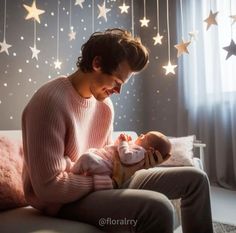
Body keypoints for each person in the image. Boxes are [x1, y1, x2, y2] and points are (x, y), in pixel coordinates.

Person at [21, 28, 213, 233]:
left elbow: (108, 160)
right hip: (61, 201)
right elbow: (49, 187)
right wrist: (110, 181)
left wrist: (135, 165)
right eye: (117, 82)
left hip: (102, 183)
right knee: (159, 208)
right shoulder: (49, 102)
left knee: (196, 180)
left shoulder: (104, 106)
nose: (118, 91)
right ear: (97, 64)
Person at [70, 131, 172, 181]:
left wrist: (123, 142)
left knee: (87, 158)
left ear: (150, 150)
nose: (141, 135)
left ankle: (72, 173)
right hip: (105, 159)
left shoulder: (140, 152)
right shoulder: (135, 148)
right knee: (90, 153)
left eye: (144, 136)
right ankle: (77, 169)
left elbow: (126, 158)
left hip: (109, 167)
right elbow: (116, 149)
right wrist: (121, 141)